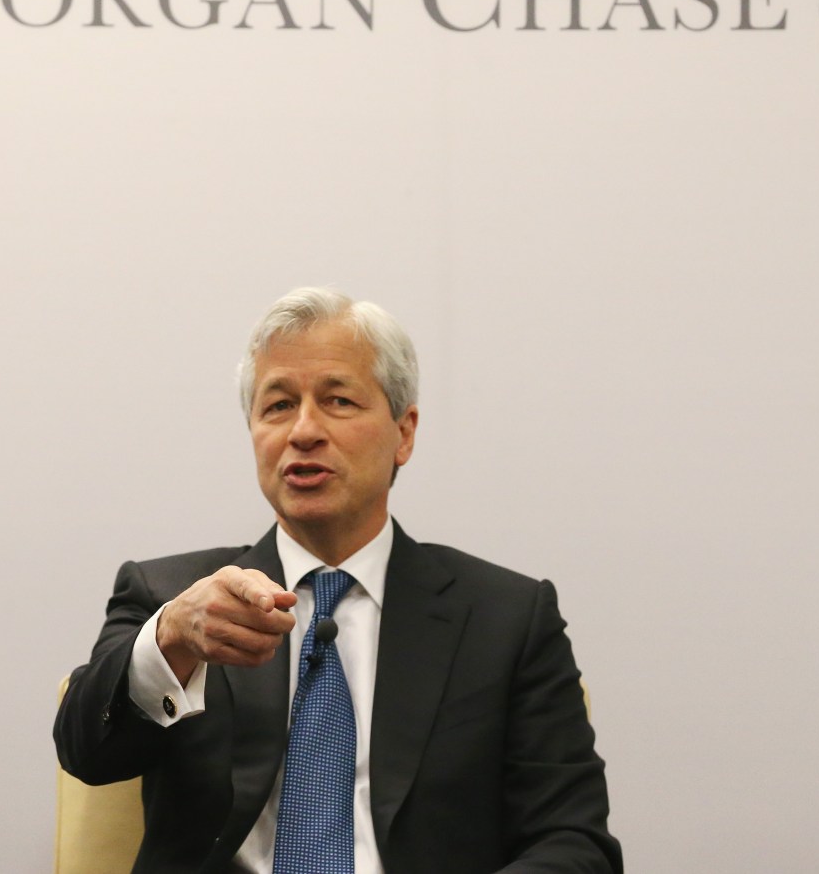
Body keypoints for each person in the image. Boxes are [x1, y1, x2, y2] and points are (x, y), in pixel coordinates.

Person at [55, 287, 621, 873]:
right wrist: (171, 637)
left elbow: (575, 842)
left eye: (338, 401)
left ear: (404, 432)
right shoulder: (171, 597)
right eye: (278, 405)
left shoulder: (506, 619)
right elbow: (85, 754)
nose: (303, 431)